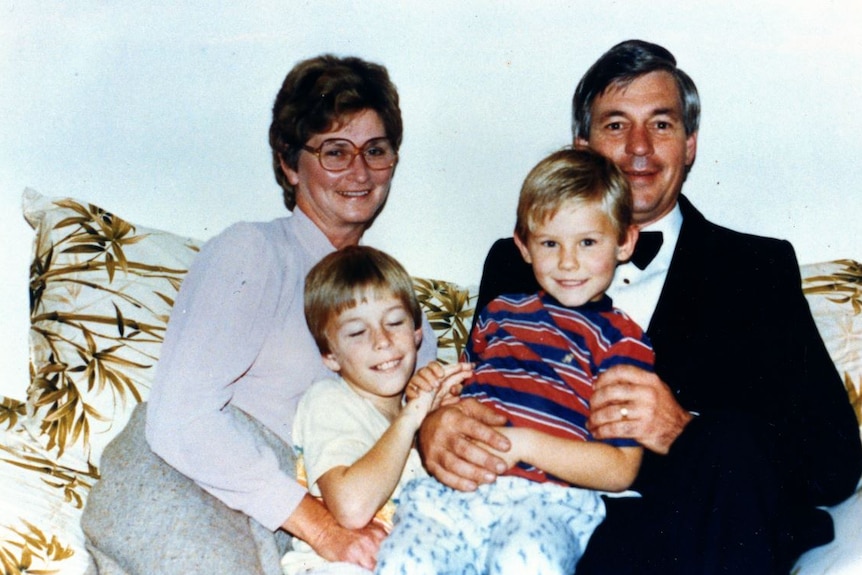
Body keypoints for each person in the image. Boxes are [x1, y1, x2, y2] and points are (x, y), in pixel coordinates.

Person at [419, 40, 862, 574]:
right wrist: (436, 427)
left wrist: (686, 430)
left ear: (690, 144)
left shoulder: (755, 268)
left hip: (705, 530)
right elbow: (482, 392)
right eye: (615, 125)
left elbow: (835, 461)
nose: (638, 149)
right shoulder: (517, 261)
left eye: (661, 124)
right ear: (582, 146)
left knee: (729, 441)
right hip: (546, 525)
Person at [81, 55, 438, 575]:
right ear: (290, 164)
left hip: (289, 518)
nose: (360, 172)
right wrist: (323, 528)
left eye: (375, 150)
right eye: (335, 152)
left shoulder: (393, 302)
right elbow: (181, 419)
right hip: (187, 483)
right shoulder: (254, 252)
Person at [376, 148, 653, 575]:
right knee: (401, 561)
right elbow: (459, 396)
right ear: (523, 245)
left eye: (587, 242)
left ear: (624, 241)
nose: (567, 261)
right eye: (549, 243)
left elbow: (620, 469)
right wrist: (434, 395)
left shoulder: (624, 340)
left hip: (545, 504)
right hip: (458, 494)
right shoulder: (498, 313)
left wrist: (521, 445)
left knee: (525, 561)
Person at [281, 245, 471, 575]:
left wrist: (440, 418)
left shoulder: (420, 418)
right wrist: (411, 417)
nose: (381, 341)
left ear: (416, 334)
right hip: (340, 565)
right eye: (357, 332)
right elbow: (352, 509)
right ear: (331, 357)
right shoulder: (328, 400)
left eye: (394, 322)